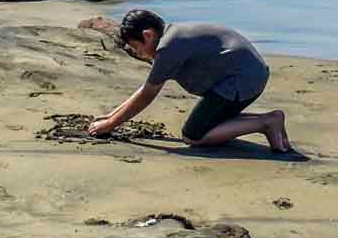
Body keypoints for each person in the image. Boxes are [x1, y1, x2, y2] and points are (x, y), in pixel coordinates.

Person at [92, 9, 294, 153]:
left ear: (148, 35)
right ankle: (271, 122)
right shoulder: (174, 35)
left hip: (240, 81)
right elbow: (145, 88)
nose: (138, 53)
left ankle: (266, 122)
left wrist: (109, 125)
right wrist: (111, 115)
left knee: (194, 135)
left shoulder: (168, 48)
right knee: (209, 121)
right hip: (250, 76)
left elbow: (147, 95)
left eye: (136, 47)